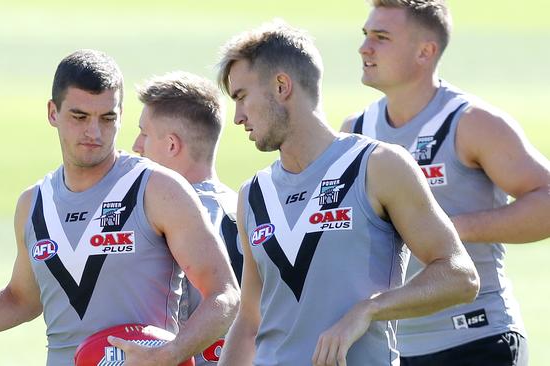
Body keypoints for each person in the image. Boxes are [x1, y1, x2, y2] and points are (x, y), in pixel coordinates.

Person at [0, 49, 240, 366]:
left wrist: (171, 354)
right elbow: (21, 299)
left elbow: (224, 294)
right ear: (53, 113)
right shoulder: (34, 203)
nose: (94, 132)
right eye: (79, 116)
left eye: (107, 118)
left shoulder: (158, 189)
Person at [216, 20, 480, 366]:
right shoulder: (253, 194)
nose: (237, 117)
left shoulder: (379, 166)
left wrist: (369, 309)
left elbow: (460, 276)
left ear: (282, 86)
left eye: (242, 97)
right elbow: (249, 322)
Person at [341, 1, 550, 365]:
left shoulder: (471, 122)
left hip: (478, 341)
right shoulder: (355, 132)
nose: (365, 48)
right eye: (365, 35)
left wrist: (453, 230)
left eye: (381, 37)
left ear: (425, 52)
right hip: (391, 351)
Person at [132, 71, 243, 364]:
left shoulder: (167, 222)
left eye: (143, 133)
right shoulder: (248, 210)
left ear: (171, 145)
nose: (135, 146)